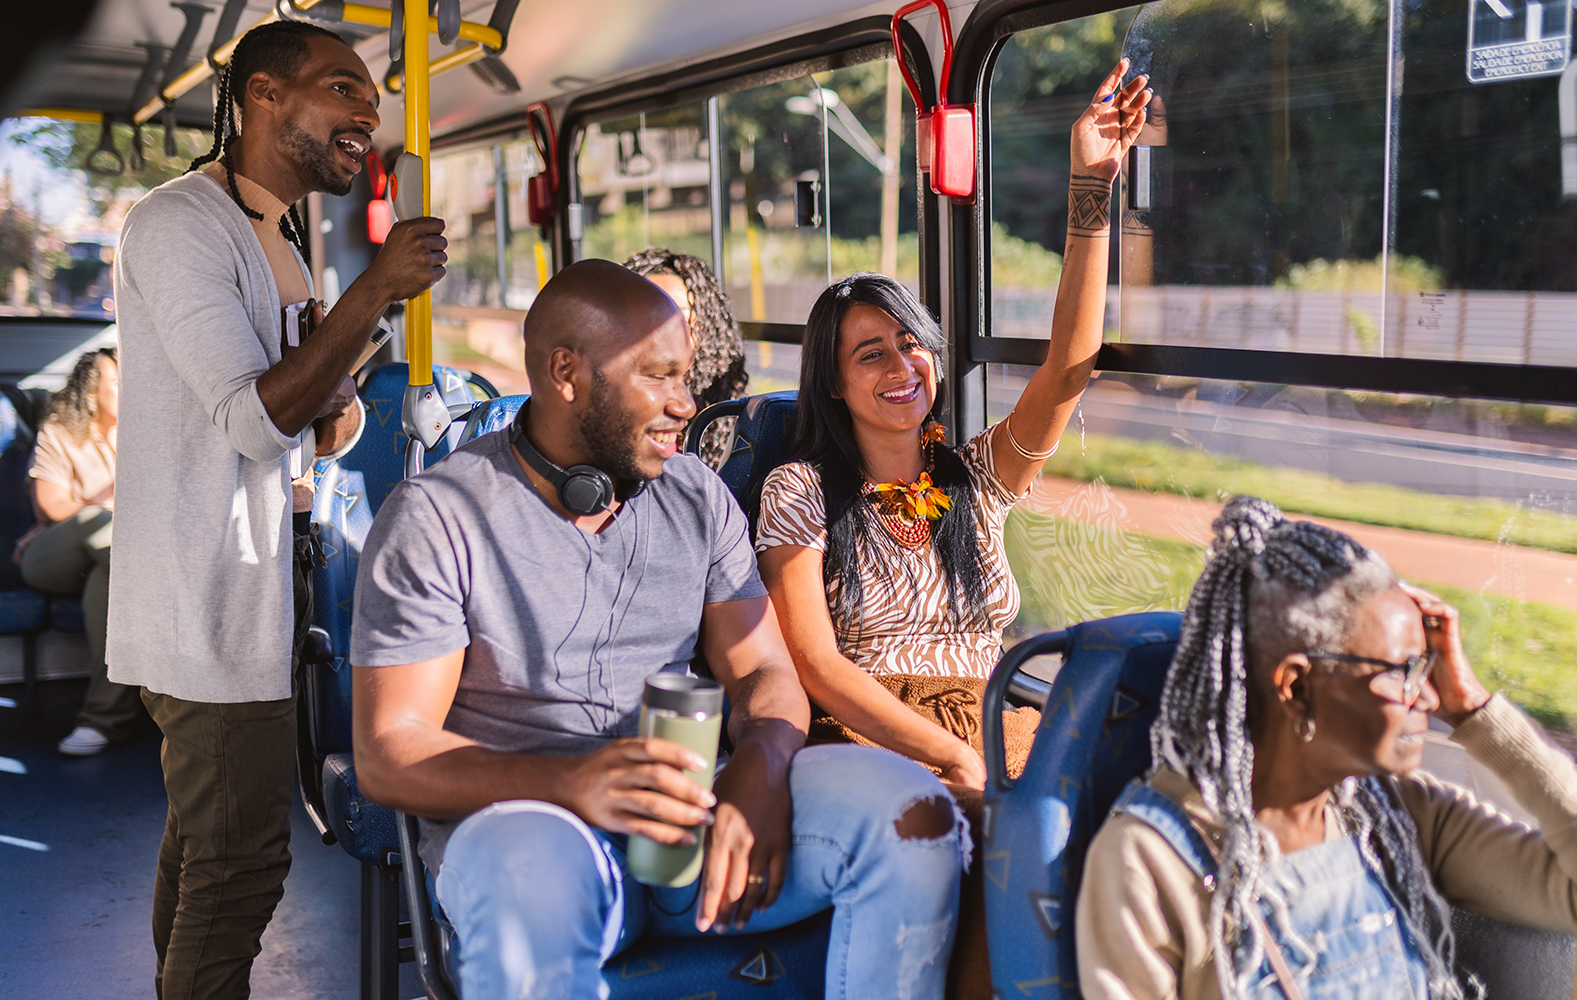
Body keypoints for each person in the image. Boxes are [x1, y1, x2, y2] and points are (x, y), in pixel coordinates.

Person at [349, 259, 967, 1000]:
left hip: (691, 821)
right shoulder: (438, 518)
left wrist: (762, 763)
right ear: (566, 374)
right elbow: (391, 752)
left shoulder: (695, 495)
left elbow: (763, 670)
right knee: (528, 895)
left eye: (687, 376)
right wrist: (576, 781)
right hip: (530, 825)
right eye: (658, 377)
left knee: (917, 820)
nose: (685, 404)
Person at [106, 20, 446, 999]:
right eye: (344, 90)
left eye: (372, 104)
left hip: (255, 591)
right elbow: (254, 420)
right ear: (261, 95)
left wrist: (334, 405)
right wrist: (379, 286)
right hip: (201, 597)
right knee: (241, 860)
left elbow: (304, 425)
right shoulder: (180, 225)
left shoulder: (281, 238)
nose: (366, 116)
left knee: (201, 848)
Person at [755, 61, 1151, 795]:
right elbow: (814, 665)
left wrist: (1091, 184)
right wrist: (950, 755)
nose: (902, 366)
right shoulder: (799, 490)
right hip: (872, 738)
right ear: (834, 384)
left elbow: (1068, 368)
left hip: (994, 722)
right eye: (870, 355)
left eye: (912, 343)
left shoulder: (978, 480)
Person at [1077, 496, 1577, 999]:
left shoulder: (1395, 817)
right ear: (1298, 688)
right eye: (1402, 672)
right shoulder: (1148, 861)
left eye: (1427, 667)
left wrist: (1474, 710)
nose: (1428, 696)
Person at [12, 347, 132, 755]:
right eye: (118, 381)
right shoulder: (60, 431)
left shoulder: (144, 432)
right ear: (91, 390)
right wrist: (112, 508)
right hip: (52, 554)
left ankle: (103, 719)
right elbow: (52, 506)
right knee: (96, 523)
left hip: (110, 557)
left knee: (111, 579)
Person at [621, 247, 748, 466]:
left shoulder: (733, 417)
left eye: (679, 318)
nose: (662, 332)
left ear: (706, 329)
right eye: (647, 318)